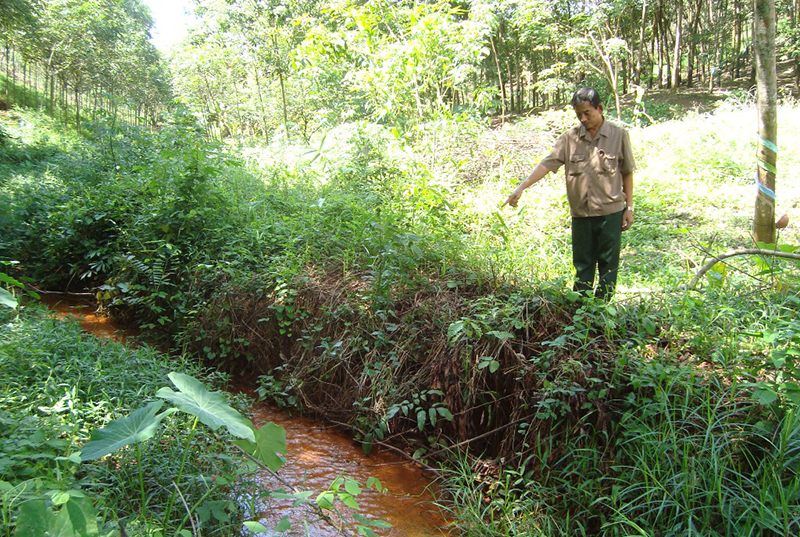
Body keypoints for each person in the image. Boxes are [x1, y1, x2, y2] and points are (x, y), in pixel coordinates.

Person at [504, 87, 635, 300]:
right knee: (582, 265)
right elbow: (546, 164)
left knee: (608, 267)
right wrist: (521, 187)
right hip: (581, 215)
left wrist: (629, 208)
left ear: (600, 109)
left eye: (587, 113)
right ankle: (582, 311)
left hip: (611, 213)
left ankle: (602, 310)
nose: (583, 119)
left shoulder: (618, 136)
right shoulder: (569, 139)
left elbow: (627, 172)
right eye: (578, 115)